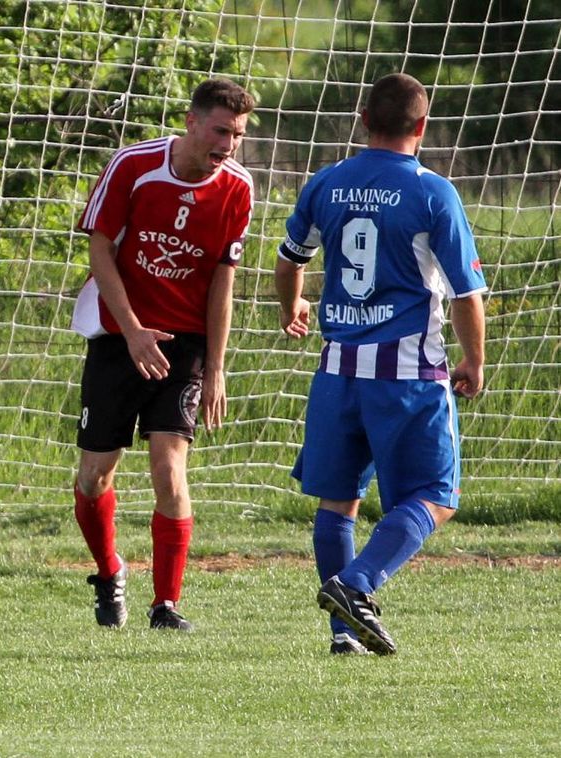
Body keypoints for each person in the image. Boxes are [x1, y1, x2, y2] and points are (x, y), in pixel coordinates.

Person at [275, 72, 487, 655]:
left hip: (337, 372)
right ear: (423, 126)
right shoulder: (432, 192)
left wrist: (292, 305)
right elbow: (466, 293)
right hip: (407, 376)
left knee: (337, 499)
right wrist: (474, 359)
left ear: (364, 120)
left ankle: (345, 636)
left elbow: (289, 260)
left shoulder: (327, 182)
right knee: (436, 495)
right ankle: (358, 583)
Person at [71, 78, 256, 630]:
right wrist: (132, 331)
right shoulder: (133, 165)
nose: (228, 144)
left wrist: (217, 366)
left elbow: (223, 280)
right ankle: (109, 571)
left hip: (184, 345)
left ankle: (165, 605)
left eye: (238, 135)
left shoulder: (238, 187)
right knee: (94, 475)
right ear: (191, 122)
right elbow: (99, 250)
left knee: (169, 468)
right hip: (118, 336)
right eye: (220, 131)